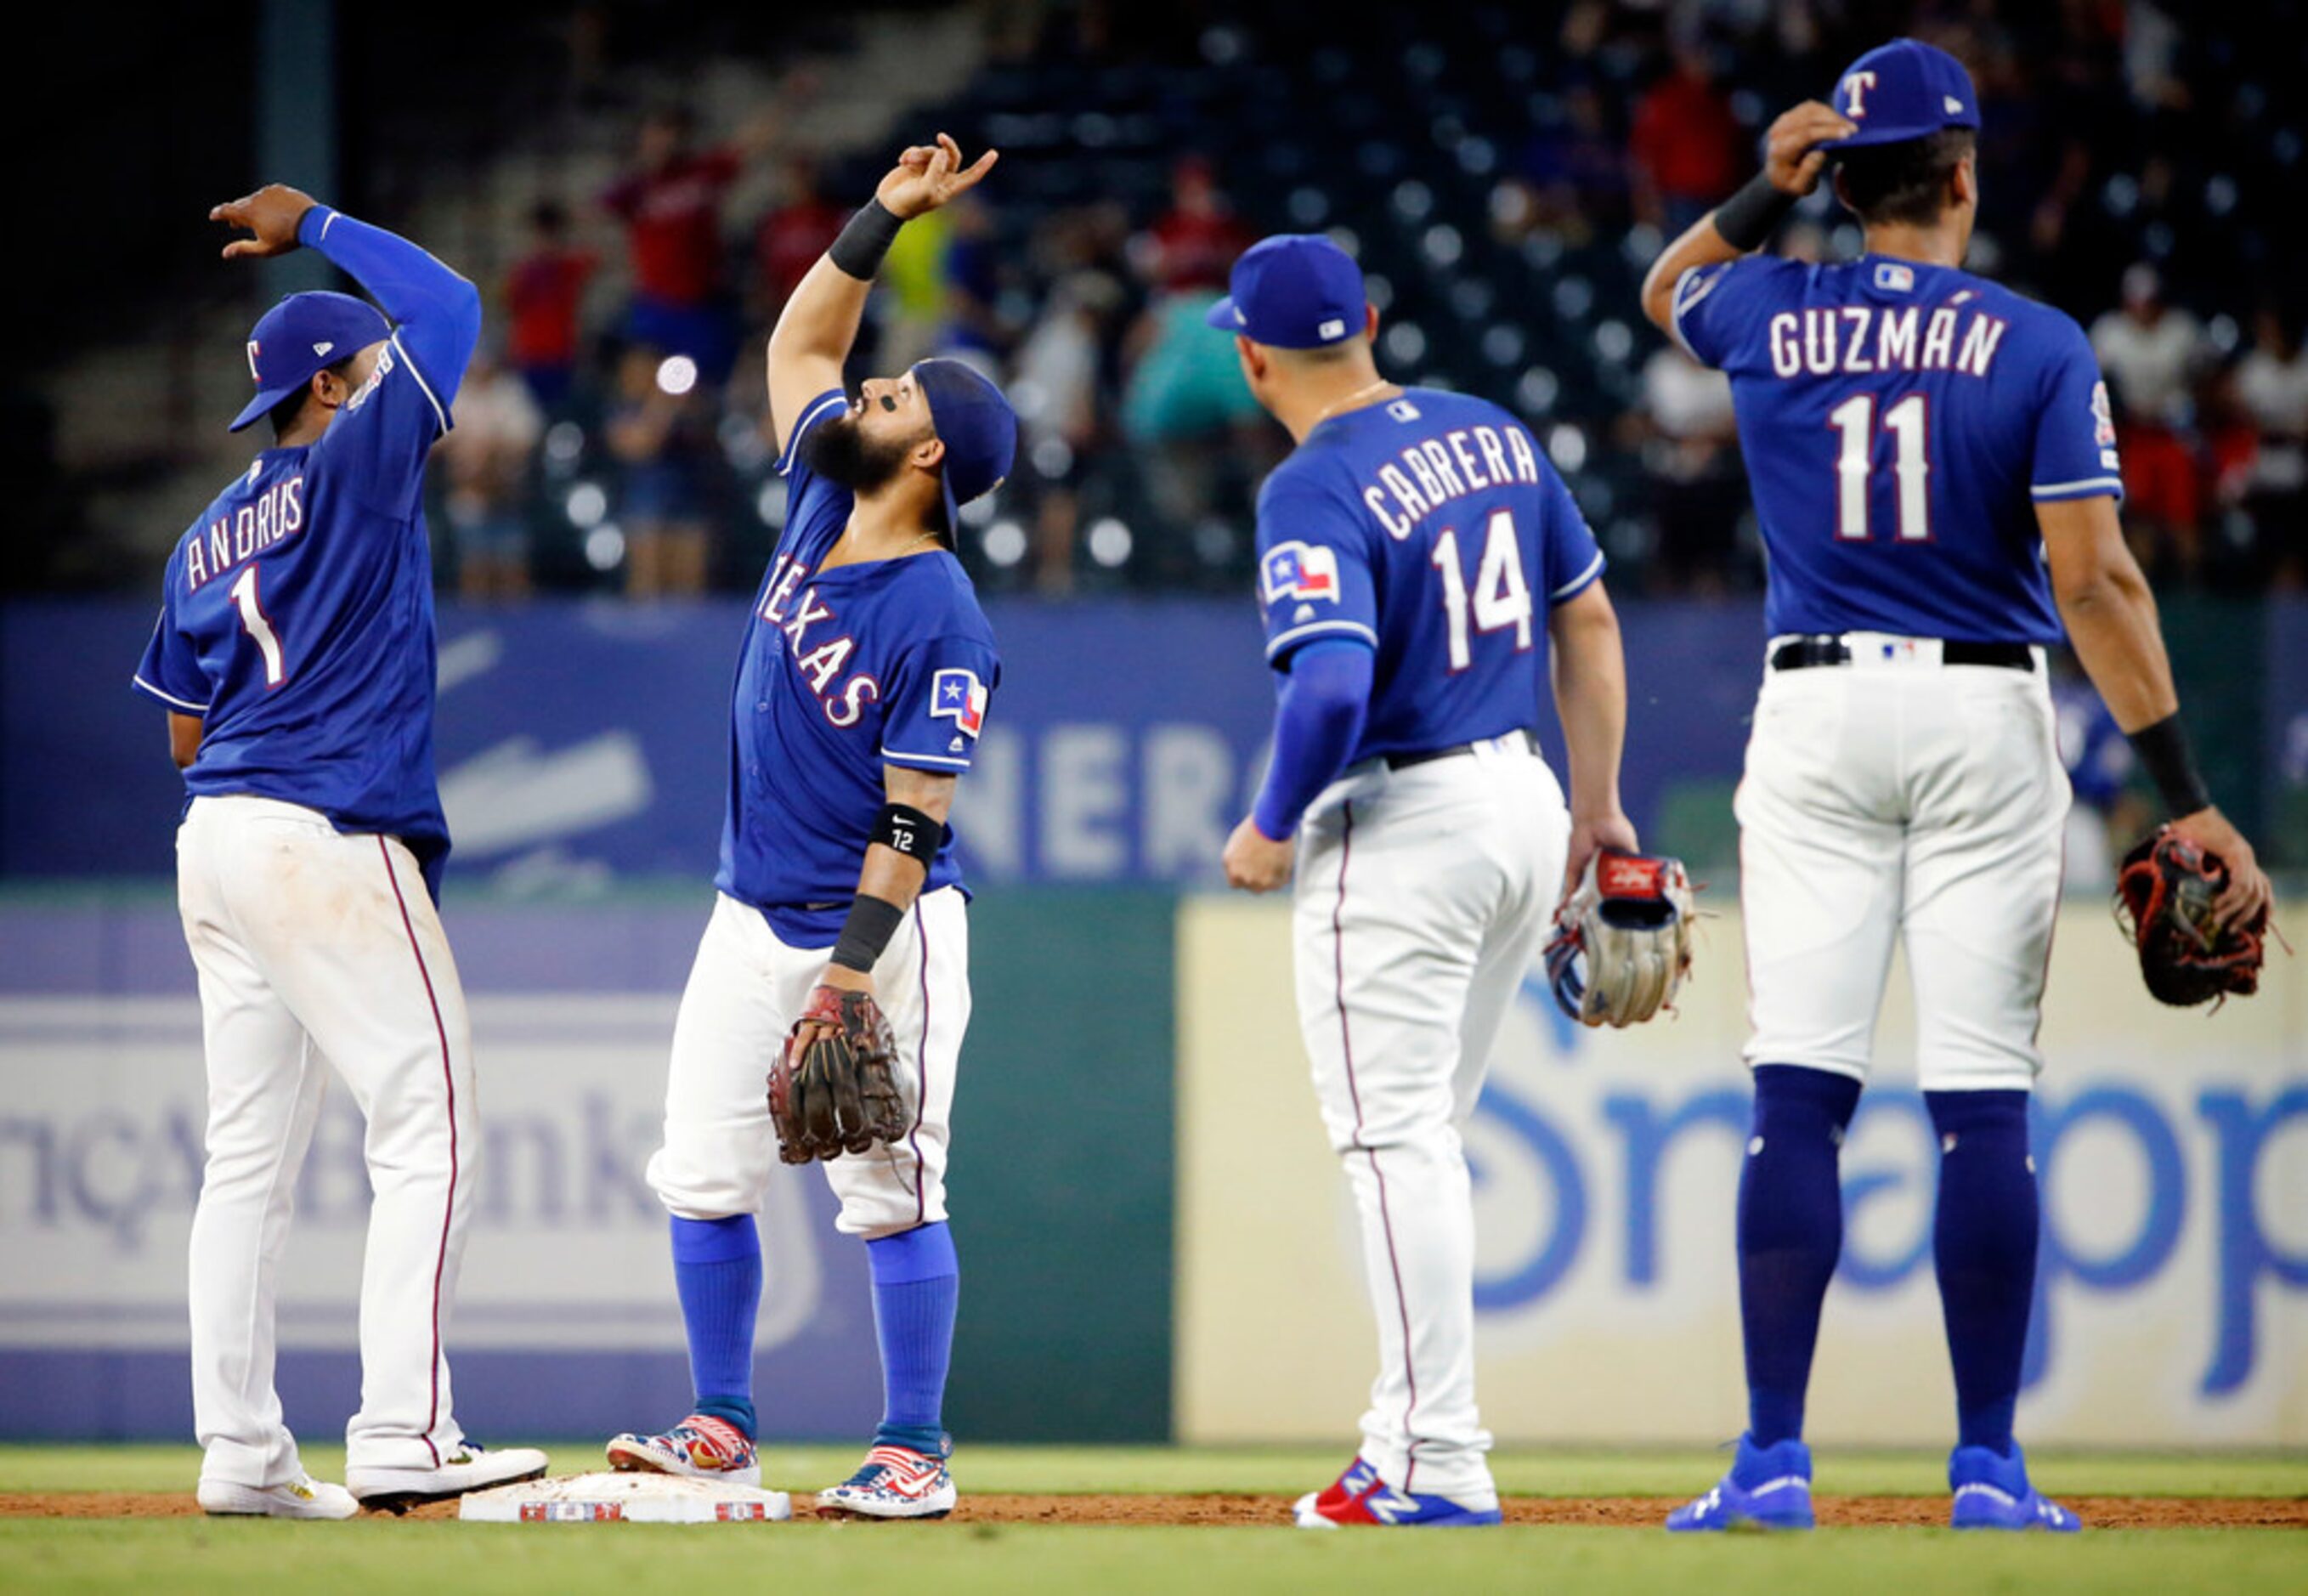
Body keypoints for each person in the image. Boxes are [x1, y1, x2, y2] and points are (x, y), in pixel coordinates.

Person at [1637, 38, 2273, 1532]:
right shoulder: (2037, 341)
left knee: (1797, 1094)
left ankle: (1773, 1458)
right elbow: (2097, 579)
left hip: (1814, 714)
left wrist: (1755, 192)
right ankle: (1987, 1464)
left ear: (1843, 182)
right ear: (1968, 178)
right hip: (1989, 711)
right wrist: (2182, 791)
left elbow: (1665, 291)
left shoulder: (1775, 308)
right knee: (1984, 1105)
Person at [605, 134, 1013, 1520]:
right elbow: (799, 341)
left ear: (932, 450)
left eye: (892, 393)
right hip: (746, 908)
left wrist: (846, 973)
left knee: (893, 1190)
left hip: (881, 932)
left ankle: (913, 1447)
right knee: (701, 1172)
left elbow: (916, 815)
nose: (863, 388)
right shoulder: (822, 494)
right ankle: (721, 1420)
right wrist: (876, 220)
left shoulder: (943, 609)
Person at [133, 184, 550, 1517]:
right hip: (324, 836)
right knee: (426, 1116)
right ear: (330, 391)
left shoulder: (203, 535)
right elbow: (453, 306)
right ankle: (404, 1433)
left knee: (246, 1160)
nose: (389, 384)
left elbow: (188, 735)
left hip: (218, 843)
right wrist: (313, 218)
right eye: (366, 373)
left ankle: (242, 1453)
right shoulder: (356, 468)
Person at [1211, 234, 1638, 1528]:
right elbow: (1592, 620)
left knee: (1393, 1147)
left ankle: (1438, 1458)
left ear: (1249, 357)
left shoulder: (1312, 481)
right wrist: (1602, 806)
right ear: (1373, 321)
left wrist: (1273, 817)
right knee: (1425, 1143)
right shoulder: (1493, 434)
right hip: (1523, 799)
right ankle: (1402, 1437)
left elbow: (1333, 677)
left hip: (1404, 820)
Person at [436, 346, 544, 601]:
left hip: (509, 496)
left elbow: (528, 438)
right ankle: (476, 626)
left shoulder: (511, 390)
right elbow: (436, 441)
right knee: (474, 569)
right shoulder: (455, 392)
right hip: (468, 495)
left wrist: (492, 451)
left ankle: (524, 633)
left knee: (513, 571)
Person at [502, 200, 597, 410]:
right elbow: (508, 305)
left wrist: (575, 226)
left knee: (562, 412)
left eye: (550, 234)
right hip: (530, 354)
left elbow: (597, 257)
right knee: (532, 415)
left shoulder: (570, 264)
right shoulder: (523, 270)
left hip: (563, 353)